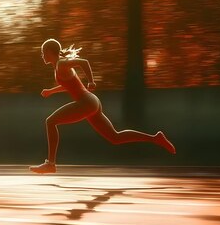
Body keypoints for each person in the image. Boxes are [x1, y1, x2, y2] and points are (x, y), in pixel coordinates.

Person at [30, 38, 176, 174]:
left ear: (49, 52)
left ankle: (51, 163)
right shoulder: (59, 66)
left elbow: (84, 62)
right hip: (92, 103)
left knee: (50, 121)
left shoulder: (61, 64)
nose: (42, 55)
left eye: (43, 52)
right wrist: (51, 91)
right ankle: (155, 138)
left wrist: (91, 81)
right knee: (115, 137)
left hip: (86, 102)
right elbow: (69, 85)